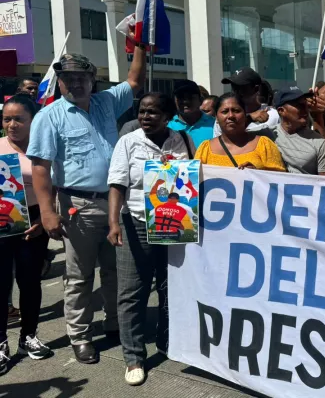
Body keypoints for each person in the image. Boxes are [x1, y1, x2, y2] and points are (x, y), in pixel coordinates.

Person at [27, 45, 147, 365]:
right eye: (67, 78)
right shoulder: (48, 116)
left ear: (93, 80)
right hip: (77, 207)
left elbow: (135, 79)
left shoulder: (106, 101)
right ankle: (80, 336)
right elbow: (40, 166)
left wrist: (140, 47)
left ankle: (113, 324)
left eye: (81, 77)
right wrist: (48, 212)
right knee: (79, 276)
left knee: (115, 272)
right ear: (59, 81)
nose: (75, 83)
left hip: (115, 204)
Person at [107, 93, 190, 386]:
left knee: (171, 288)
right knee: (132, 291)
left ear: (168, 116)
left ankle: (167, 342)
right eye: (142, 111)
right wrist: (114, 222)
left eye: (153, 112)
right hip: (137, 224)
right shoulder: (128, 142)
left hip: (173, 224)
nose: (145, 117)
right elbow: (117, 184)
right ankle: (133, 357)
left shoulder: (182, 141)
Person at [0, 95, 52, 376]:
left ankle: (28, 337)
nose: (12, 124)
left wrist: (45, 219)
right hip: (1, 221)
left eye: (19, 119)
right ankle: (0, 343)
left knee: (30, 282)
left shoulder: (43, 150)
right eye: (7, 119)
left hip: (34, 220)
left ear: (33, 121)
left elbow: (56, 188)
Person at [195, 93, 286, 171]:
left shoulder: (264, 145)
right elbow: (194, 183)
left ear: (245, 115)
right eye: (225, 111)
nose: (231, 116)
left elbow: (281, 182)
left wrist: (258, 173)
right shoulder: (205, 149)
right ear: (217, 118)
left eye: (236, 111)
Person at [269, 86, 325, 176]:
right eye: (298, 105)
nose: (305, 109)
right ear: (281, 111)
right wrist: (250, 117)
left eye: (305, 104)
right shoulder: (266, 134)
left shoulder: (319, 142)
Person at [213, 68, 280, 136]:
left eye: (242, 87)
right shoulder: (225, 116)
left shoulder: (273, 115)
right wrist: (249, 118)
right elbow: (221, 143)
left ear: (256, 89)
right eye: (234, 87)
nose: (236, 92)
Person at [167, 80, 215, 153]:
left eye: (190, 97)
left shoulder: (215, 125)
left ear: (201, 100)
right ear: (174, 101)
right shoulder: (167, 127)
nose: (185, 101)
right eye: (181, 97)